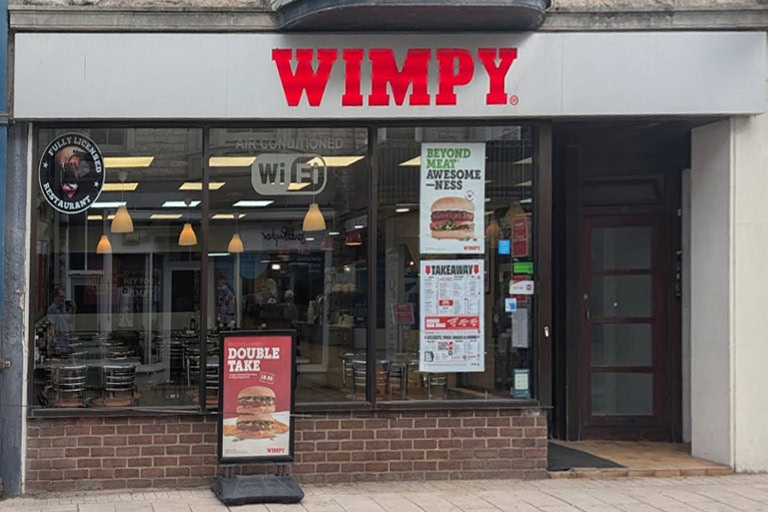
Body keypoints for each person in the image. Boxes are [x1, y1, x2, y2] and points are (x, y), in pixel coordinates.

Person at [47, 286, 72, 356]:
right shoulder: (52, 309)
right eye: (61, 297)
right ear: (56, 297)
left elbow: (68, 323)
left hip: (66, 342)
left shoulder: (63, 309)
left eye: (64, 297)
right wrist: (54, 344)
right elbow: (51, 327)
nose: (63, 299)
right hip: (59, 343)